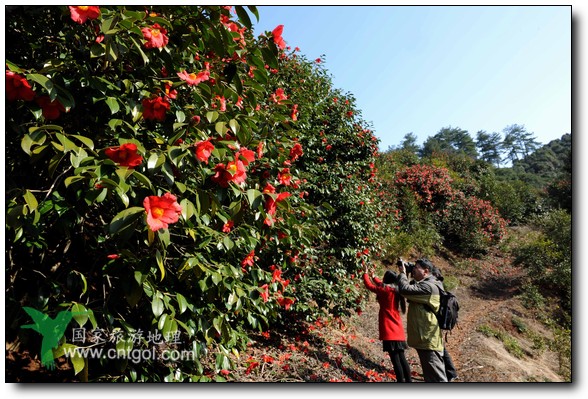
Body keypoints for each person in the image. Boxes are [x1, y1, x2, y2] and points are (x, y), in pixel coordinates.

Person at [396, 258, 447, 382]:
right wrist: (407, 272)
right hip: (425, 338)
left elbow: (404, 290)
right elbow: (408, 288)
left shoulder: (429, 287)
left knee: (437, 377)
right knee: (430, 376)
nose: (413, 269)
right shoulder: (425, 284)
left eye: (416, 267)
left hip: (429, 339)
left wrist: (403, 273)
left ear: (426, 271)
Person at [363, 264, 412, 382]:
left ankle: (401, 381)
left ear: (386, 280)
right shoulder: (396, 290)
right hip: (398, 329)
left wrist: (365, 274)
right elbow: (380, 284)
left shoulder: (384, 290)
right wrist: (373, 276)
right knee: (402, 357)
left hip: (388, 329)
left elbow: (369, 286)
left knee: (395, 360)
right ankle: (409, 381)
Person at [431, 266, 459, 382]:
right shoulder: (439, 286)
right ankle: (449, 372)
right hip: (439, 321)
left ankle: (450, 373)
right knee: (440, 347)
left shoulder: (435, 287)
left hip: (436, 321)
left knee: (440, 348)